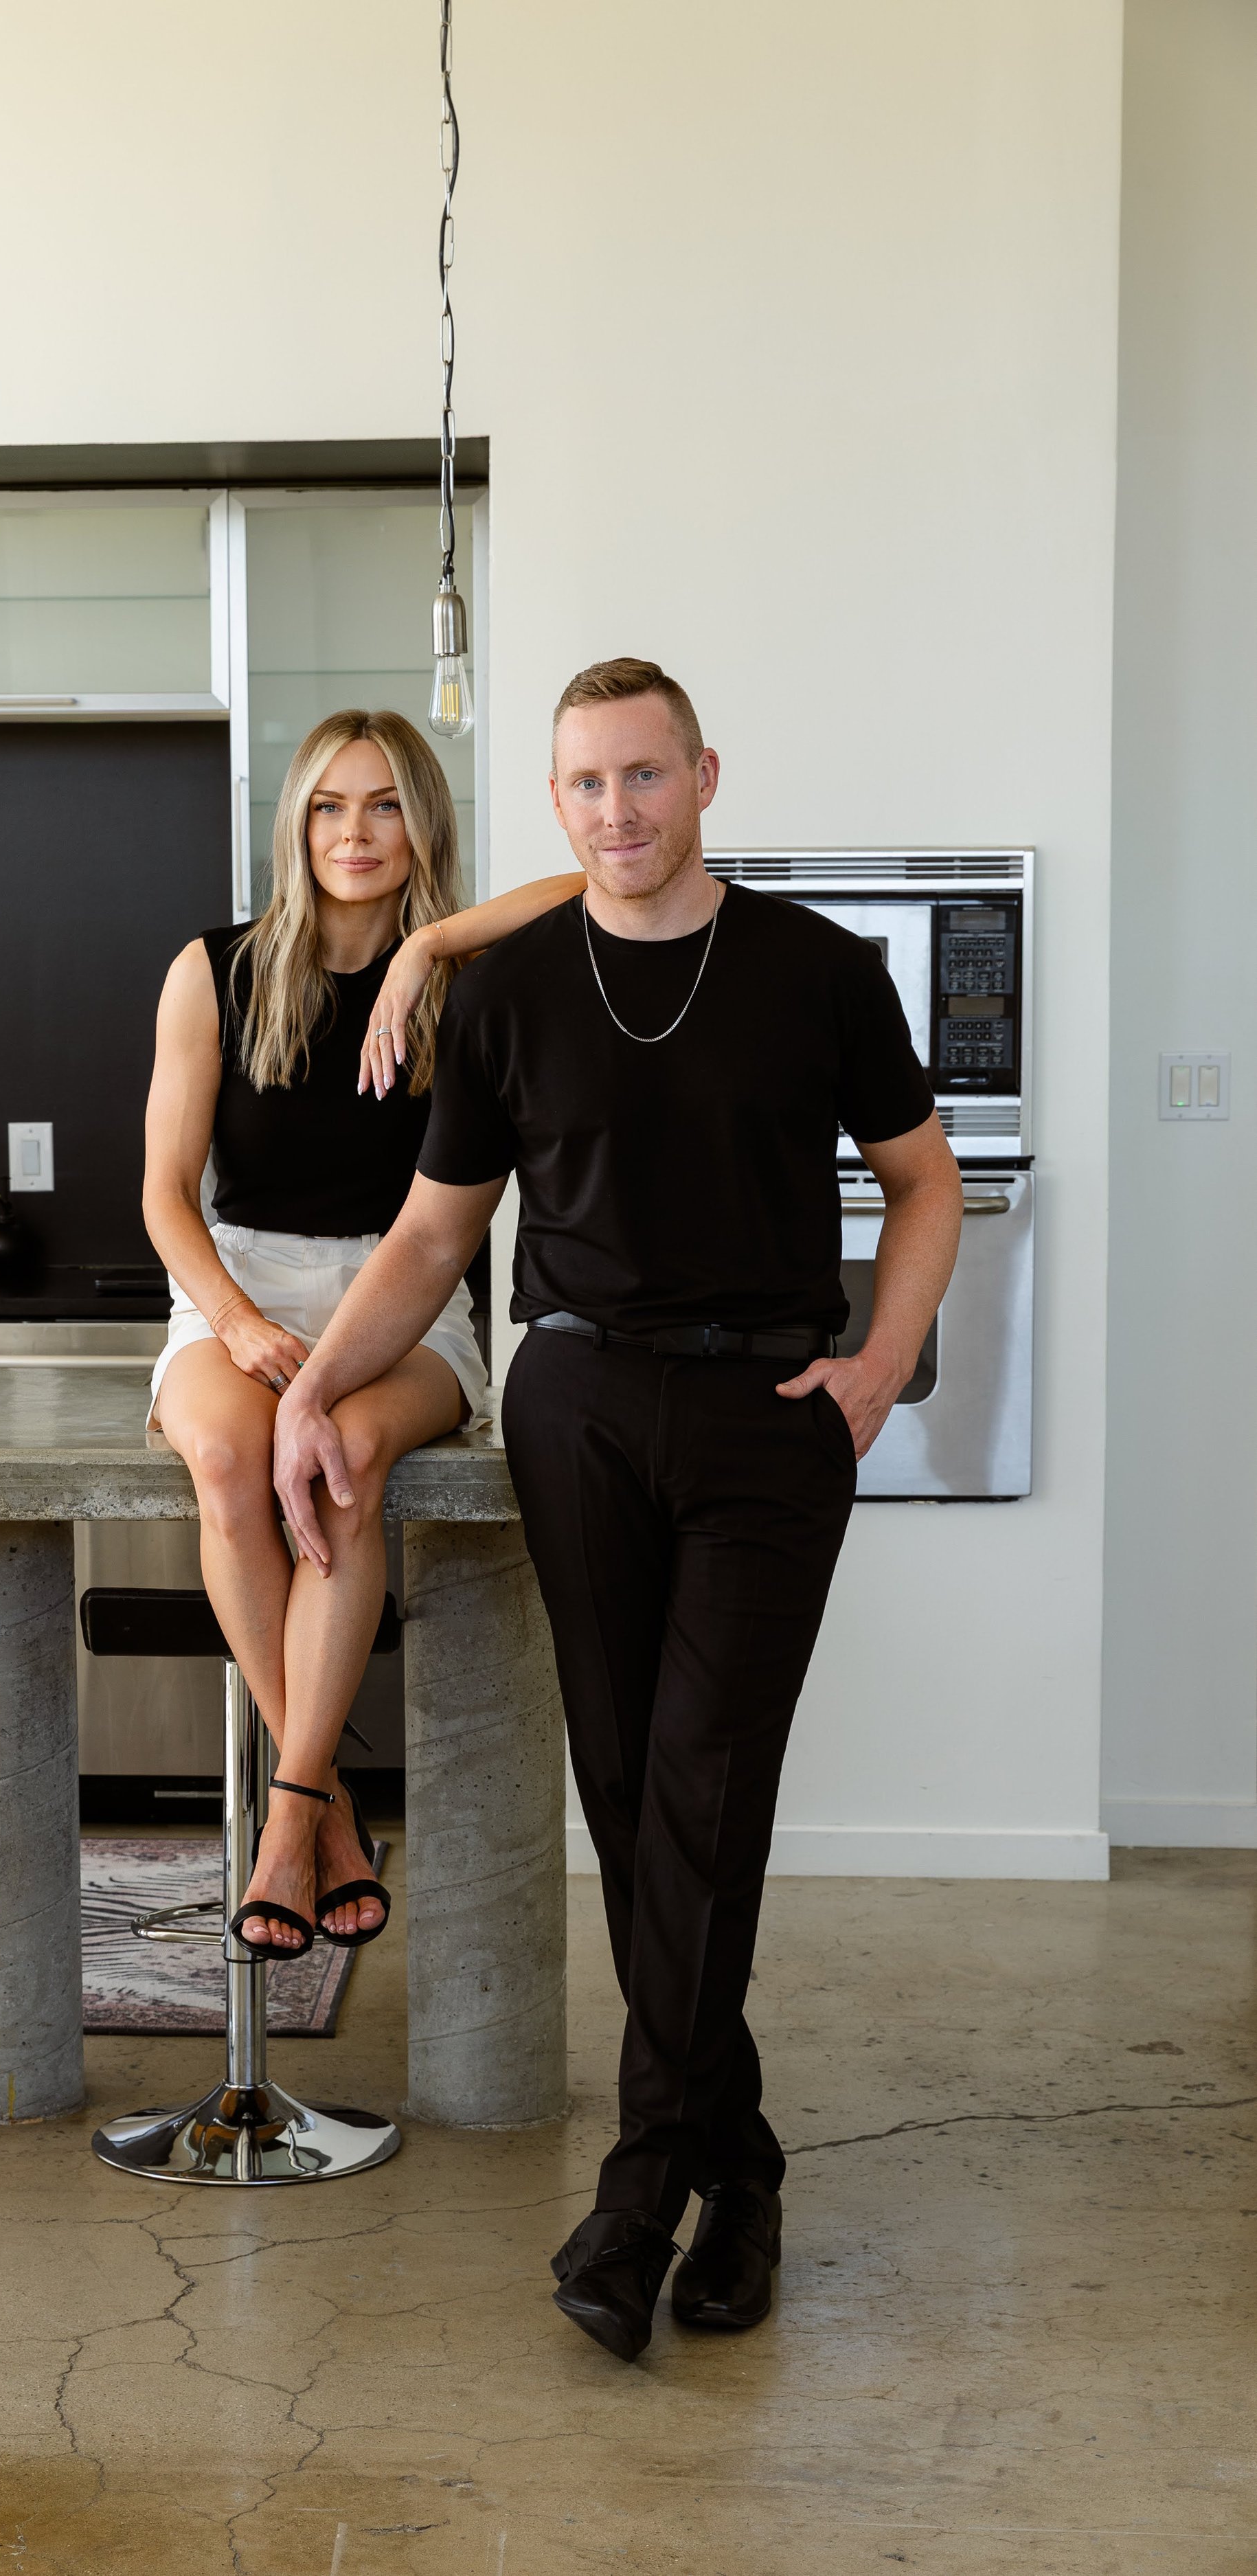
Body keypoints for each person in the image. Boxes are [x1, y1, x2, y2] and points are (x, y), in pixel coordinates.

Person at [273, 656, 964, 2358]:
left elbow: (921, 1178)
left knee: (702, 1789)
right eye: (581, 786)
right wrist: (305, 1388)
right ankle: (740, 2173)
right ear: (557, 801)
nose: (614, 814)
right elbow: (436, 1236)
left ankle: (639, 2187)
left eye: (642, 779)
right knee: (631, 1800)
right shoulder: (512, 992)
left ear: (704, 776)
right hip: (573, 1407)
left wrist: (876, 1366)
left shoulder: (815, 972)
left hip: (765, 1415)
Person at [142, 706, 577, 1956]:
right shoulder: (212, 968)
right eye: (330, 805)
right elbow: (166, 1196)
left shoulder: (474, 981)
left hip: (410, 1302)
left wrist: (428, 945)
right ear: (296, 823)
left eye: (386, 803)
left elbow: (588, 885)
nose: (356, 831)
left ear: (423, 823)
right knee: (231, 1460)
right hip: (243, 1287)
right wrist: (229, 1317)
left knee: (339, 1469)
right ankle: (320, 1809)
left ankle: (289, 1821)